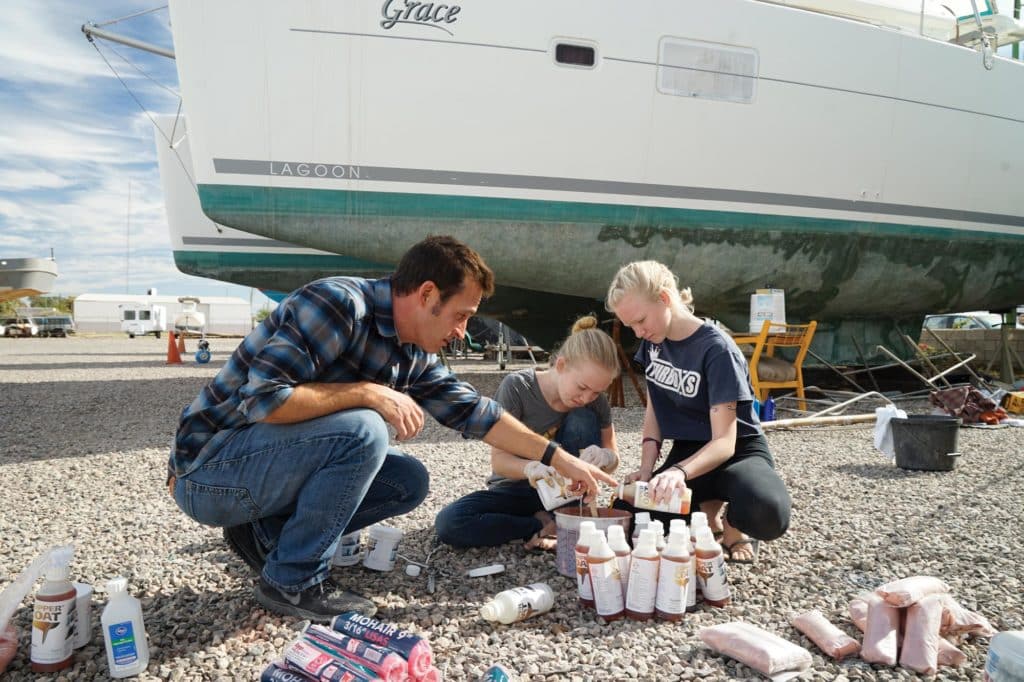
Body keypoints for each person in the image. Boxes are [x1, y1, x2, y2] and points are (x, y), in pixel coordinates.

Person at [169, 236, 616, 621]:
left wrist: (560, 458)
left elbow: (478, 414)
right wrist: (366, 392)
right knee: (366, 429)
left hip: (255, 473)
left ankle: (265, 536)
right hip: (210, 473)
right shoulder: (339, 305)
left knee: (406, 480)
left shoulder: (411, 353)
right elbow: (263, 399)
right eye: (461, 315)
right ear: (426, 294)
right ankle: (292, 581)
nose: (463, 331)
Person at [606, 261, 790, 562]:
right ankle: (707, 509)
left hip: (737, 451)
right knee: (629, 515)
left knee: (768, 512)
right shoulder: (653, 343)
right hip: (689, 450)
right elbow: (655, 410)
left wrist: (677, 472)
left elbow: (724, 442)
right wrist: (647, 470)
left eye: (641, 321)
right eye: (631, 327)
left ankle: (732, 524)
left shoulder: (716, 350)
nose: (639, 332)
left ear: (665, 299)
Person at [435, 316, 620, 550]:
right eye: (582, 387)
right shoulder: (518, 387)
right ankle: (540, 525)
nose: (586, 398)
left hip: (569, 494)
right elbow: (500, 461)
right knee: (450, 522)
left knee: (582, 416)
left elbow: (613, 459)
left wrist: (605, 457)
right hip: (517, 490)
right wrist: (534, 468)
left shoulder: (594, 401)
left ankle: (561, 518)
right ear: (561, 365)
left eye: (596, 392)